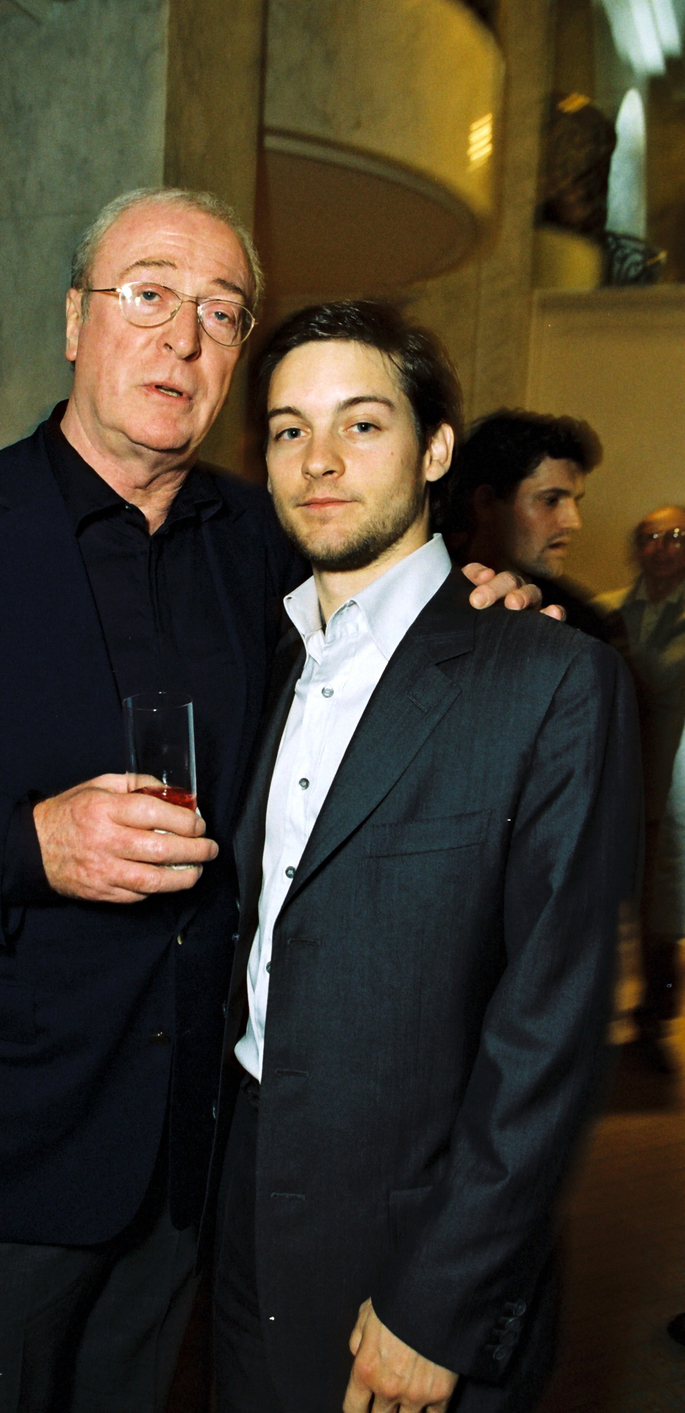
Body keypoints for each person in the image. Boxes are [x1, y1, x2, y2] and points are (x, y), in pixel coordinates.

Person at [0, 188, 546, 1413]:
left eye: (221, 312)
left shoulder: (268, 536)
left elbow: (389, 615)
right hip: (0, 1132)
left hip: (196, 1138)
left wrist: (474, 601)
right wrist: (27, 843)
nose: (182, 337)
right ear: (76, 322)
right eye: (148, 295)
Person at [212, 301, 640, 1413]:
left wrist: (439, 1303)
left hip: (412, 1240)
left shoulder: (547, 681)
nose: (317, 462)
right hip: (247, 1198)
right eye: (287, 429)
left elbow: (548, 1034)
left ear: (435, 449)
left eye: (361, 425)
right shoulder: (265, 658)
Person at [596, 505, 685, 1068]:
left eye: (675, 535)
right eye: (650, 537)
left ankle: (655, 1019)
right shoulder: (608, 612)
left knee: (660, 909)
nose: (662, 546)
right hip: (619, 776)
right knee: (615, 902)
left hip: (673, 781)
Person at [451, 408, 607, 638]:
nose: (574, 522)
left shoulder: (582, 625)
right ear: (486, 503)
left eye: (576, 502)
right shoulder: (422, 590)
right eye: (550, 500)